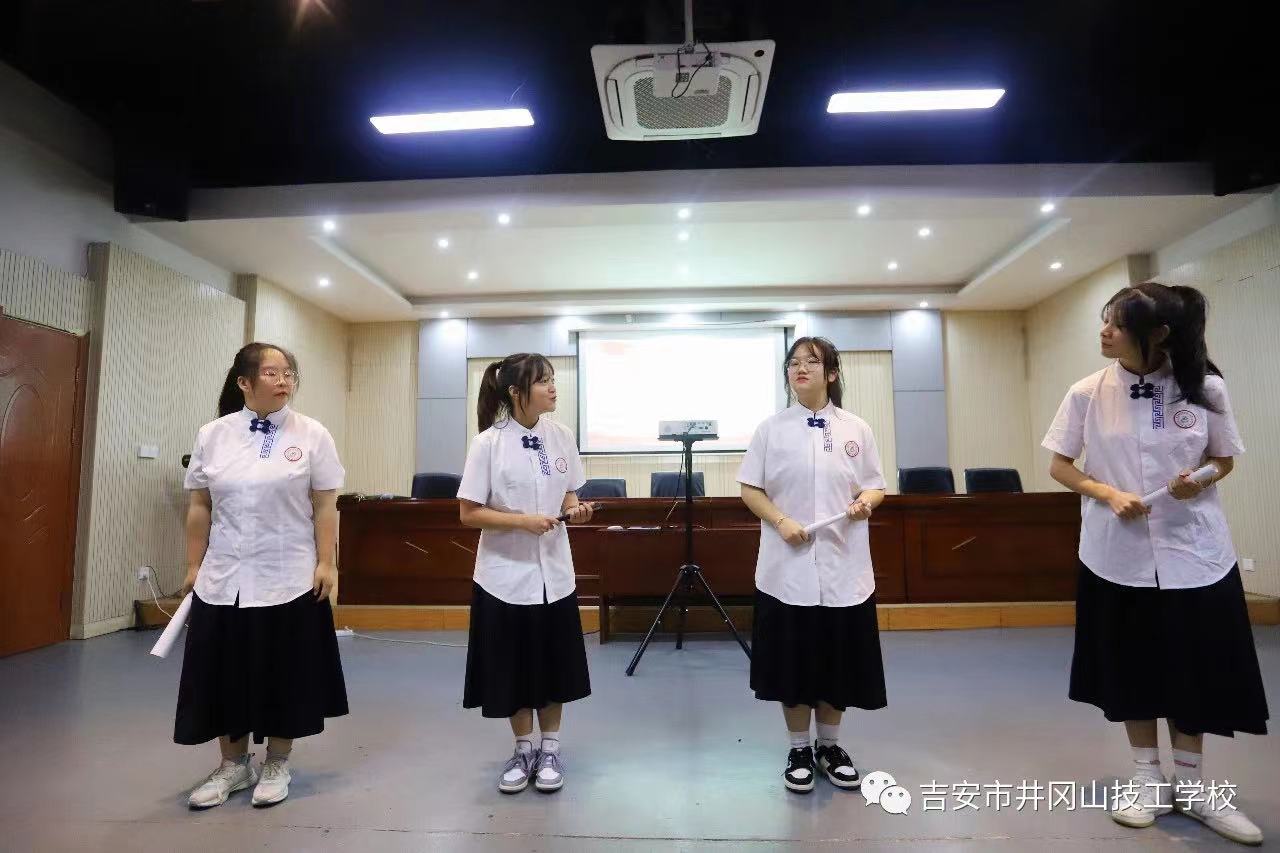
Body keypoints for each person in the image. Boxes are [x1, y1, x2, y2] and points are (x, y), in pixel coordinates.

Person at [1043, 282, 1267, 845]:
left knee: (1193, 667)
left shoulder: (1206, 388)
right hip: (1116, 557)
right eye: (1105, 321)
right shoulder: (1087, 392)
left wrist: (1200, 480)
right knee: (1132, 666)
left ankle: (1192, 787)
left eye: (1117, 324)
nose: (1104, 332)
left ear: (1159, 333)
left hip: (1195, 555)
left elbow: (1223, 460)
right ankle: (1147, 777)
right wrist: (1106, 492)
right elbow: (1060, 466)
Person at [176, 342, 348, 809]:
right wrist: (193, 565)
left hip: (287, 573)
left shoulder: (312, 434)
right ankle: (233, 765)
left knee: (284, 671)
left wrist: (327, 562)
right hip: (224, 576)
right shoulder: (213, 434)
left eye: (289, 372)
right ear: (244, 382)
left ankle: (277, 761)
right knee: (223, 671)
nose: (284, 380)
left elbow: (325, 505)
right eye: (272, 372)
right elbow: (200, 505)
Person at [737, 335, 888, 793]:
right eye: (793, 362)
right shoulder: (771, 429)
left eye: (811, 362)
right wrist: (781, 522)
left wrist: (866, 502)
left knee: (837, 659)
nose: (800, 368)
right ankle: (799, 748)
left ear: (831, 373)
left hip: (844, 564)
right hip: (787, 565)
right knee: (794, 662)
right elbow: (750, 489)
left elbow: (875, 485)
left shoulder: (856, 428)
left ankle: (831, 746)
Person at [458, 353, 594, 794]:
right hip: (504, 578)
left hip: (555, 575)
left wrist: (577, 509)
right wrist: (523, 522)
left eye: (553, 379)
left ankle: (550, 748)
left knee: (554, 665)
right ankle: (522, 749)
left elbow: (569, 494)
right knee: (513, 668)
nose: (553, 388)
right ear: (516, 392)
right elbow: (469, 513)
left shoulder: (562, 436)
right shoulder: (488, 443)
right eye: (543, 381)